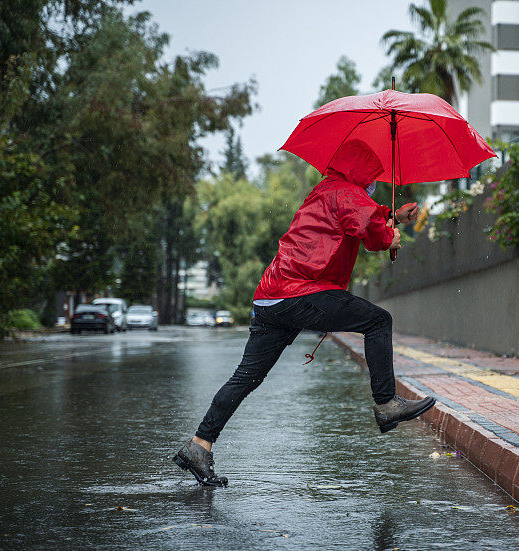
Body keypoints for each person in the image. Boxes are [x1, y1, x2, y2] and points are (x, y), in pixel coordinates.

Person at [173, 140, 436, 486]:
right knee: (378, 321)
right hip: (301, 292)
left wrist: (391, 216)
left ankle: (199, 445)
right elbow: (368, 232)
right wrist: (391, 237)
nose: (373, 183)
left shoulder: (329, 190)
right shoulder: (347, 193)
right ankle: (386, 403)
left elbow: (359, 216)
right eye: (372, 175)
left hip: (271, 298)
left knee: (247, 377)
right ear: (360, 171)